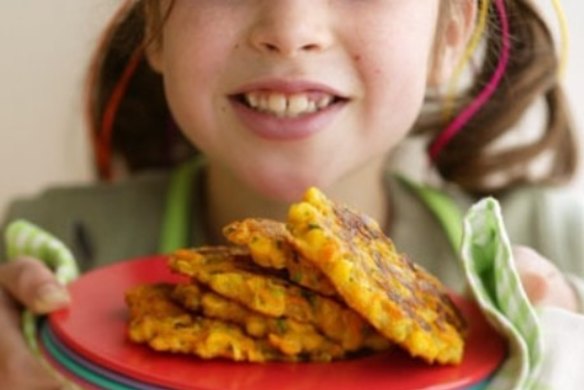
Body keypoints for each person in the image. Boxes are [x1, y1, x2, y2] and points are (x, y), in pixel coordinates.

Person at [1, 0, 582, 387]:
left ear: (448, 36)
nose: (290, 31)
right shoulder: (46, 259)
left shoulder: (559, 252)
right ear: (156, 23)